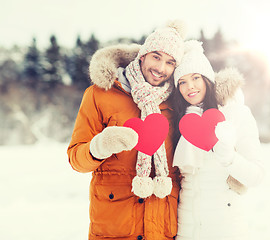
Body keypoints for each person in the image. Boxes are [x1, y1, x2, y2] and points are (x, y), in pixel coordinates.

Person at [67, 21, 186, 240]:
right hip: (115, 227)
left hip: (162, 228)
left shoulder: (178, 102)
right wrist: (99, 147)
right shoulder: (100, 94)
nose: (161, 68)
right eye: (156, 57)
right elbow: (76, 159)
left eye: (170, 62)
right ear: (142, 56)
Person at [171, 40, 265, 240]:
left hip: (225, 228)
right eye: (182, 82)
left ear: (207, 78)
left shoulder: (235, 114)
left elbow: (256, 176)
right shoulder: (179, 121)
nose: (190, 87)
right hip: (186, 229)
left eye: (196, 77)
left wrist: (229, 158)